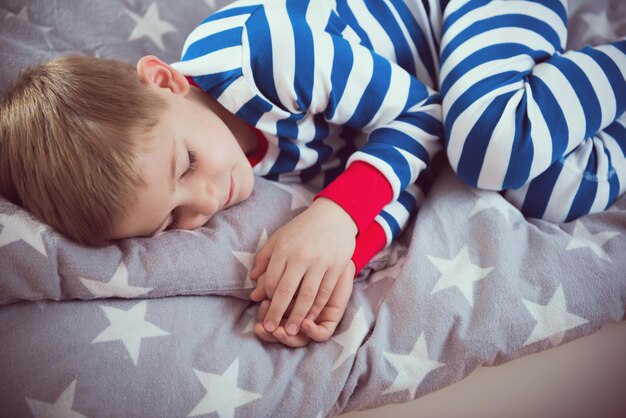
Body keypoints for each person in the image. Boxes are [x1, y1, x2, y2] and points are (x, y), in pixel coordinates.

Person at [2, 0, 625, 348]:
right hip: (450, 79)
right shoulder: (246, 162)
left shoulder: (263, 54)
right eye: (173, 218)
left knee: (489, 143)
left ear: (164, 80)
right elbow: (402, 164)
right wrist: (338, 264)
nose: (208, 200)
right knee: (538, 188)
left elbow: (419, 116)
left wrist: (339, 212)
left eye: (186, 165)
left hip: (460, 12)